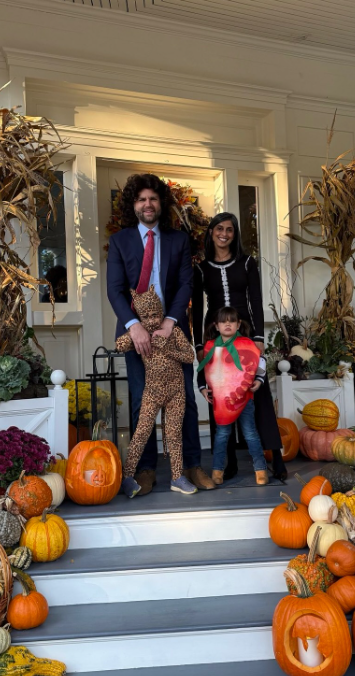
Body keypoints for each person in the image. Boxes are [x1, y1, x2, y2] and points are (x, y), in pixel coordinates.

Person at [107, 173, 215, 494]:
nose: (148, 204)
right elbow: (114, 290)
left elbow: (185, 284)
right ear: (134, 205)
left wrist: (170, 321)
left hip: (173, 331)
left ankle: (192, 465)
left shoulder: (177, 240)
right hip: (136, 333)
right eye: (141, 199)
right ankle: (146, 470)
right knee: (143, 403)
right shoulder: (120, 241)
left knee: (187, 402)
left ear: (160, 203)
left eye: (153, 198)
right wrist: (134, 326)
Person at [192, 212, 287, 481]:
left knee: (258, 392)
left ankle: (275, 457)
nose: (224, 234)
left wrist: (258, 337)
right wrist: (199, 344)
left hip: (244, 333)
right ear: (211, 232)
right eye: (219, 229)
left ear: (235, 235)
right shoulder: (200, 268)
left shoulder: (246, 263)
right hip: (215, 337)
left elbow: (255, 299)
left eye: (230, 230)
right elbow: (197, 309)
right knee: (220, 394)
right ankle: (228, 461)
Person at [116, 286, 198, 497]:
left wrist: (167, 348)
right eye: (146, 316)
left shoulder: (174, 332)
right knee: (141, 432)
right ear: (140, 316)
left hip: (176, 392)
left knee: (174, 434)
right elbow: (119, 345)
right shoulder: (141, 334)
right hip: (152, 392)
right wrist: (135, 334)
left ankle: (177, 477)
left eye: (155, 315)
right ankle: (127, 476)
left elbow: (189, 356)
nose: (152, 320)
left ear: (161, 312)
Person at [197, 307, 269, 486]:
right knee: (221, 436)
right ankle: (217, 470)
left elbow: (260, 361)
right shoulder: (210, 347)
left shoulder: (247, 343)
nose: (227, 324)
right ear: (216, 326)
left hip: (245, 399)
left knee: (250, 434)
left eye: (231, 321)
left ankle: (261, 470)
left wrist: (259, 381)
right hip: (222, 402)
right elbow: (203, 368)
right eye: (223, 321)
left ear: (238, 325)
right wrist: (202, 388)